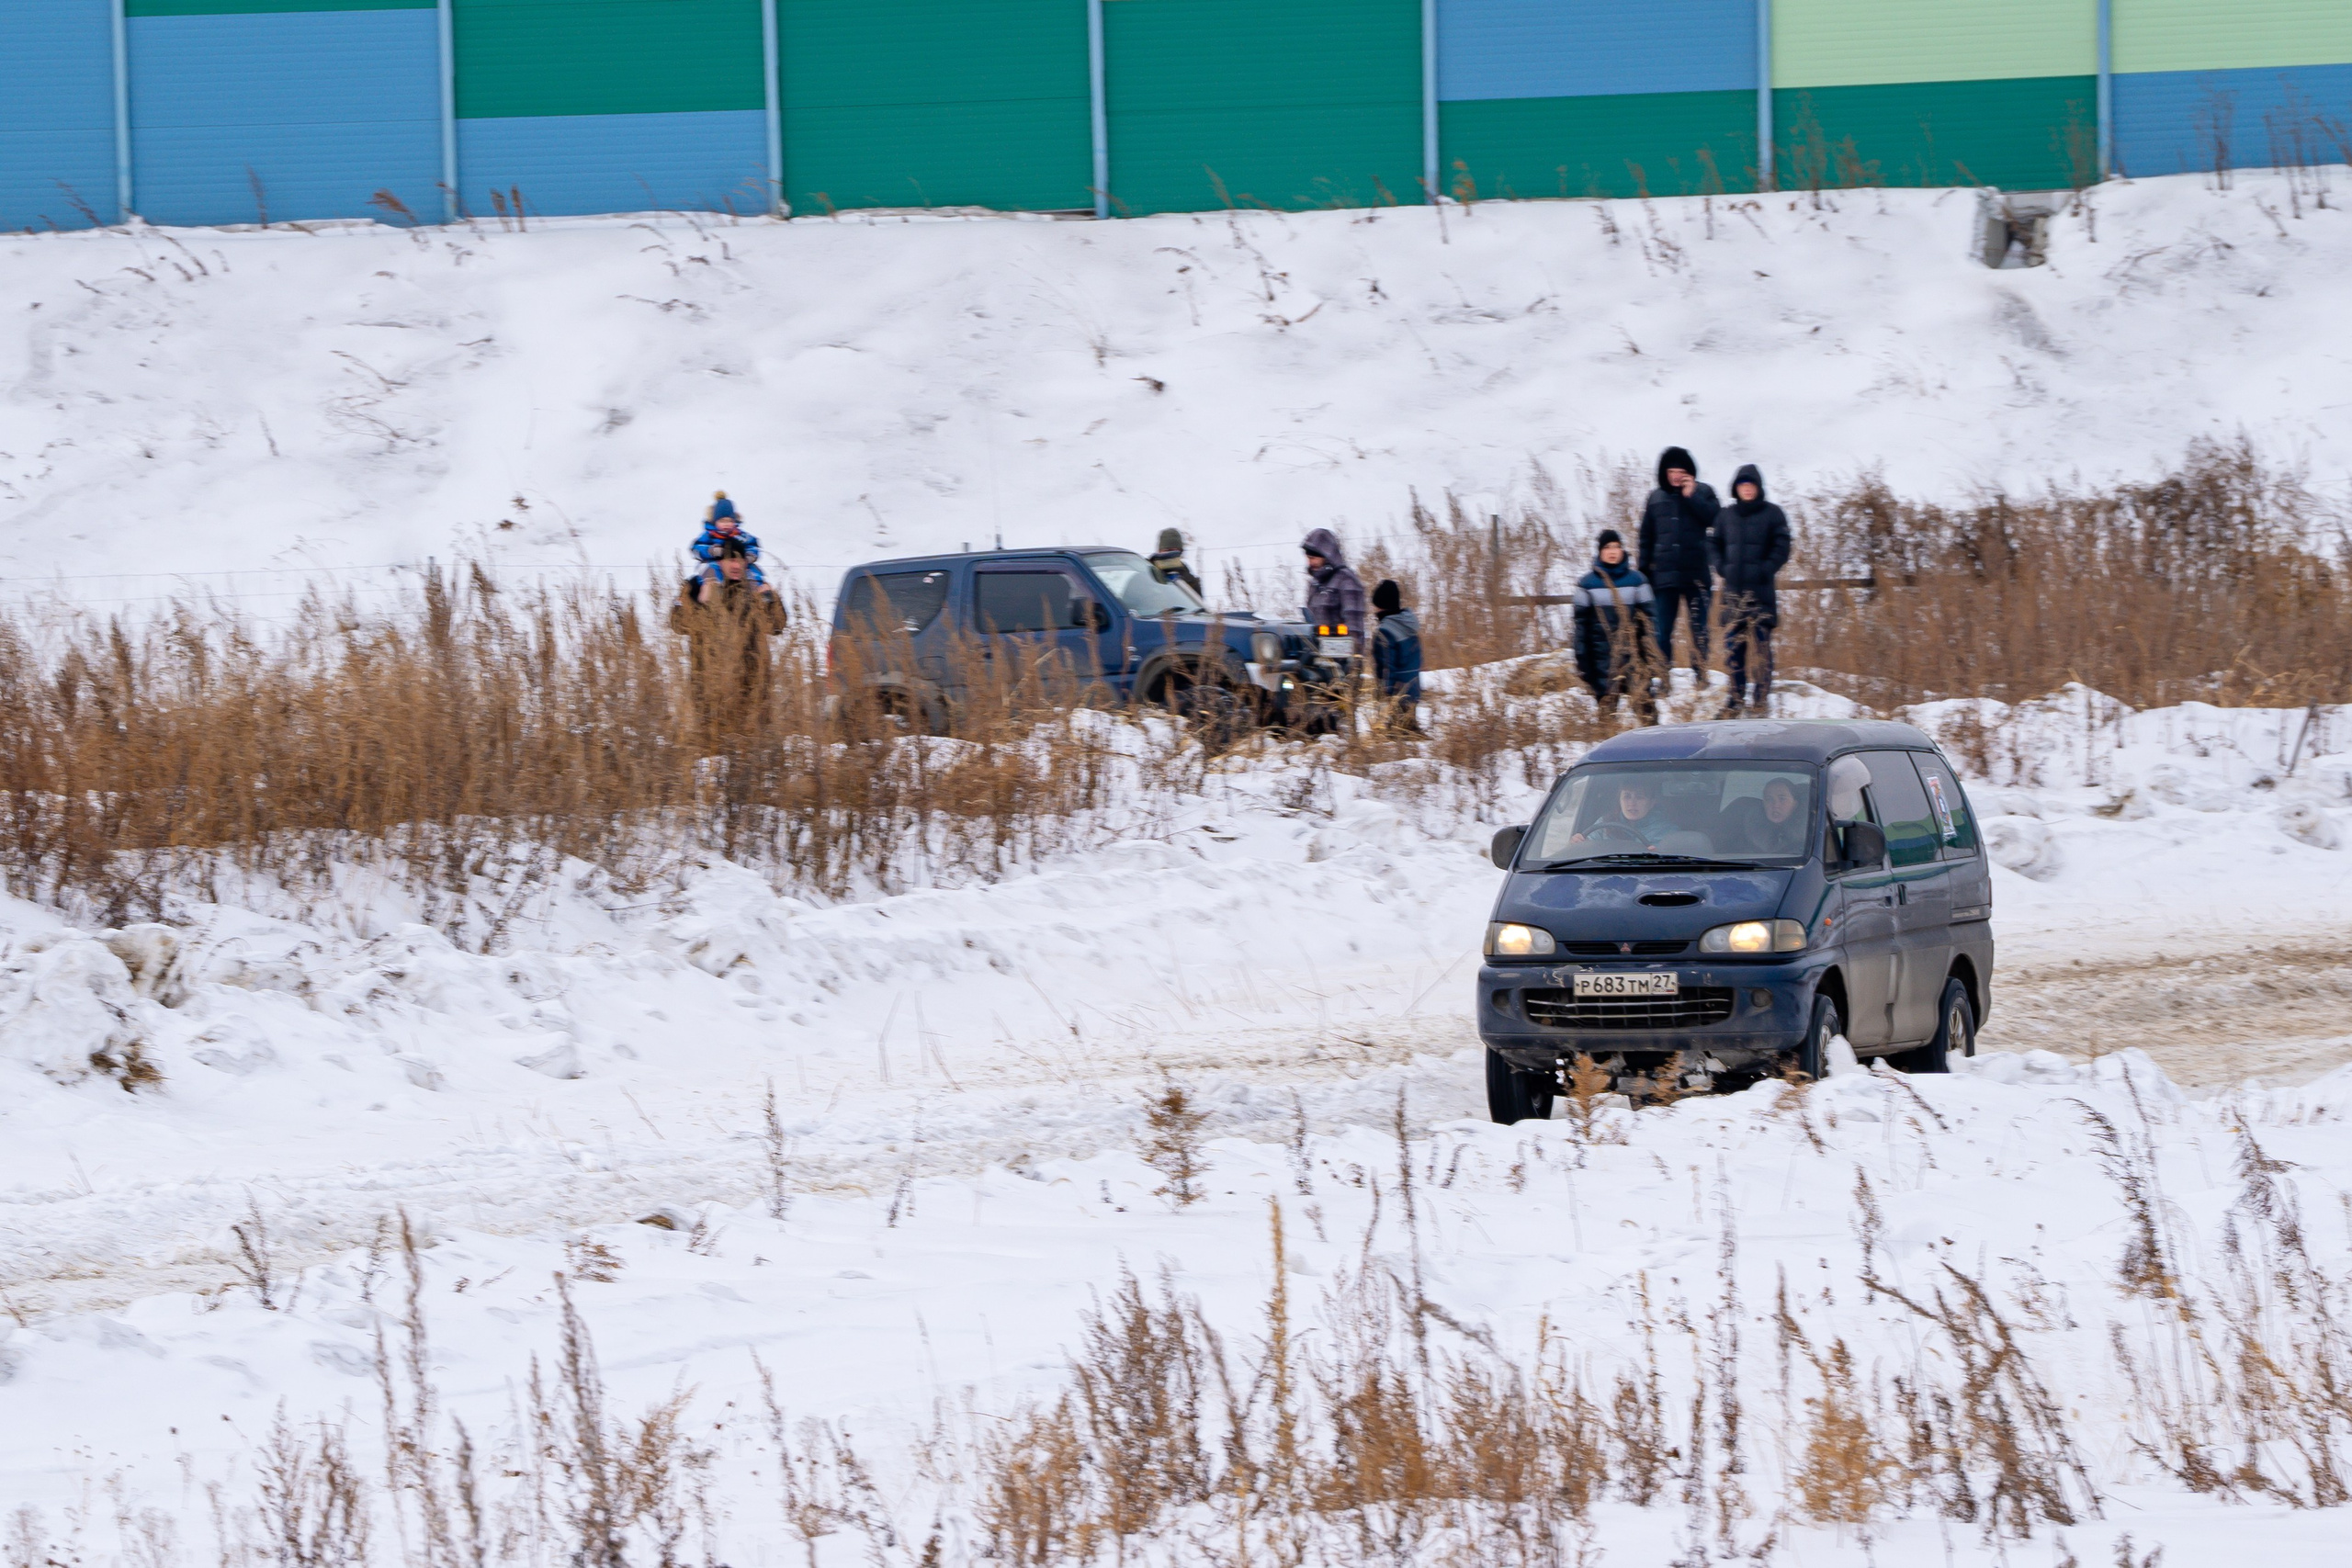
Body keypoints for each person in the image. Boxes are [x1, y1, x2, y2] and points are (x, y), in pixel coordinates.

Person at [668, 541, 786, 748]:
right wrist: (700, 603)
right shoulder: (697, 586)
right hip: (710, 691)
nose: (735, 565)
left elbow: (776, 626)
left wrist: (770, 597)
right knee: (713, 750)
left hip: (752, 689)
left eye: (740, 559)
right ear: (720, 561)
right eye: (731, 559)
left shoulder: (753, 590)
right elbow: (678, 624)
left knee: (753, 752)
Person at [1709, 463, 1792, 716]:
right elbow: (1712, 544)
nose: (1747, 489)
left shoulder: (1773, 513)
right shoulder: (1725, 515)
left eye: (1751, 485)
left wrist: (1766, 568)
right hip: (1733, 594)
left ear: (1758, 488)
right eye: (1742, 485)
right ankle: (1735, 698)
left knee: (1762, 648)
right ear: (1736, 488)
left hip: (1762, 593)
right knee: (1734, 648)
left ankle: (1760, 699)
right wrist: (1721, 566)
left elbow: (1783, 545)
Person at [1636, 446, 1719, 680]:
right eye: (1671, 470)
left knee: (1700, 631)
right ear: (1664, 472)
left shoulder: (1704, 492)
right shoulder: (1655, 497)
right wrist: (1644, 573)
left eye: (1680, 471)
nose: (1675, 475)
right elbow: (1646, 538)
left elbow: (1716, 520)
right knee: (1662, 632)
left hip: (1697, 576)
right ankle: (1662, 677)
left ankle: (1701, 676)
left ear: (1689, 472)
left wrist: (1691, 496)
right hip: (1664, 578)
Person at [1570, 529, 1657, 717]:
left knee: (1647, 715)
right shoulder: (1586, 584)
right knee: (1607, 719)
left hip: (1635, 660)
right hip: (1602, 661)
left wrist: (1650, 657)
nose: (1612, 551)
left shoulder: (1638, 581)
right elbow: (1580, 628)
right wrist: (1583, 662)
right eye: (1607, 547)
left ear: (1622, 550)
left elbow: (1650, 622)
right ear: (1600, 551)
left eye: (1617, 547)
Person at [1369, 579, 1422, 730]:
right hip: (1413, 689)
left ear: (1381, 606)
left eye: (1376, 606)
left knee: (1397, 733)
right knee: (1410, 730)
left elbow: (1387, 666)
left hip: (1396, 692)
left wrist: (1384, 691)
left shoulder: (1385, 631)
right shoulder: (1410, 626)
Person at [1300, 527, 1367, 646]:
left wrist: (1353, 660)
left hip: (1339, 659)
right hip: (1316, 657)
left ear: (1327, 556)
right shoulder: (1315, 584)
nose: (1310, 563)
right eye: (1308, 558)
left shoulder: (1347, 581)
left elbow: (1355, 630)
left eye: (1313, 558)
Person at [691, 491, 767, 586]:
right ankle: (715, 589)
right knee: (710, 569)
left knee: (752, 570)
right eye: (722, 521)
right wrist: (711, 551)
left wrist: (750, 555)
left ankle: (758, 591)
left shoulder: (740, 535)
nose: (726, 524)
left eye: (730, 521)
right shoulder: (709, 535)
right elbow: (696, 549)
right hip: (717, 562)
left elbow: (752, 544)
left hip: (738, 564)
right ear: (715, 522)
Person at [1571, 779, 1672, 847]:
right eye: (1627, 797)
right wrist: (1577, 844)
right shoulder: (1604, 823)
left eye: (1640, 797)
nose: (1632, 803)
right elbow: (1587, 849)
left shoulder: (1667, 831)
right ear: (1620, 800)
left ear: (1652, 803)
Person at [1148, 528, 1204, 597]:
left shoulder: (1190, 580)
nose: (1170, 554)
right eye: (1167, 550)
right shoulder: (1147, 573)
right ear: (1159, 551)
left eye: (1175, 551)